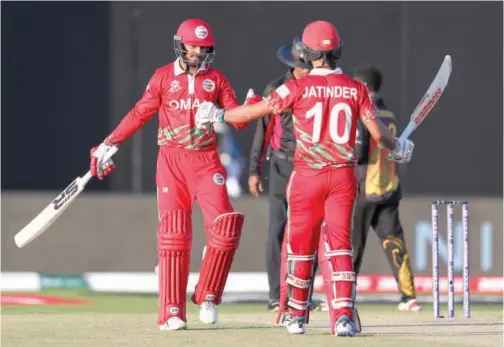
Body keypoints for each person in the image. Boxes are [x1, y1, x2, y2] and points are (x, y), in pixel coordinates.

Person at [194, 20, 414, 337]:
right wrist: (399, 147)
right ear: (337, 50)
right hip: (342, 178)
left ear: (307, 54)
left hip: (307, 177)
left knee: (300, 246)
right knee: (339, 248)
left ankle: (296, 316)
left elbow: (254, 113)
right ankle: (343, 318)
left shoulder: (295, 87)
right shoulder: (355, 89)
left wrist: (216, 115)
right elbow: (379, 134)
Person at [89, 18, 260, 331]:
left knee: (225, 226)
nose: (197, 52)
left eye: (203, 47)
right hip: (171, 162)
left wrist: (251, 107)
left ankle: (208, 295)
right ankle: (171, 312)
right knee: (174, 235)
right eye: (192, 45)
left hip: (206, 161)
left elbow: (238, 122)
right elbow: (139, 113)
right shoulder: (163, 77)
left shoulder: (217, 79)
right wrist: (108, 143)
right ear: (180, 45)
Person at [248, 36, 313, 312]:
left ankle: (302, 294)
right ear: (294, 65)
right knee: (277, 228)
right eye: (303, 66)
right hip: (281, 166)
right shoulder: (276, 88)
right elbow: (262, 130)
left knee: (309, 231)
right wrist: (254, 170)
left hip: (310, 167)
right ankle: (276, 295)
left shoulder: (318, 89)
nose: (307, 70)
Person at [352, 65, 422, 312]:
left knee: (351, 247)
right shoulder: (389, 113)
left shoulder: (363, 112)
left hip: (363, 189)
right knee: (395, 243)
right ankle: (408, 297)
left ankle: (344, 296)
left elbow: (359, 153)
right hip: (389, 188)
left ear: (361, 86)